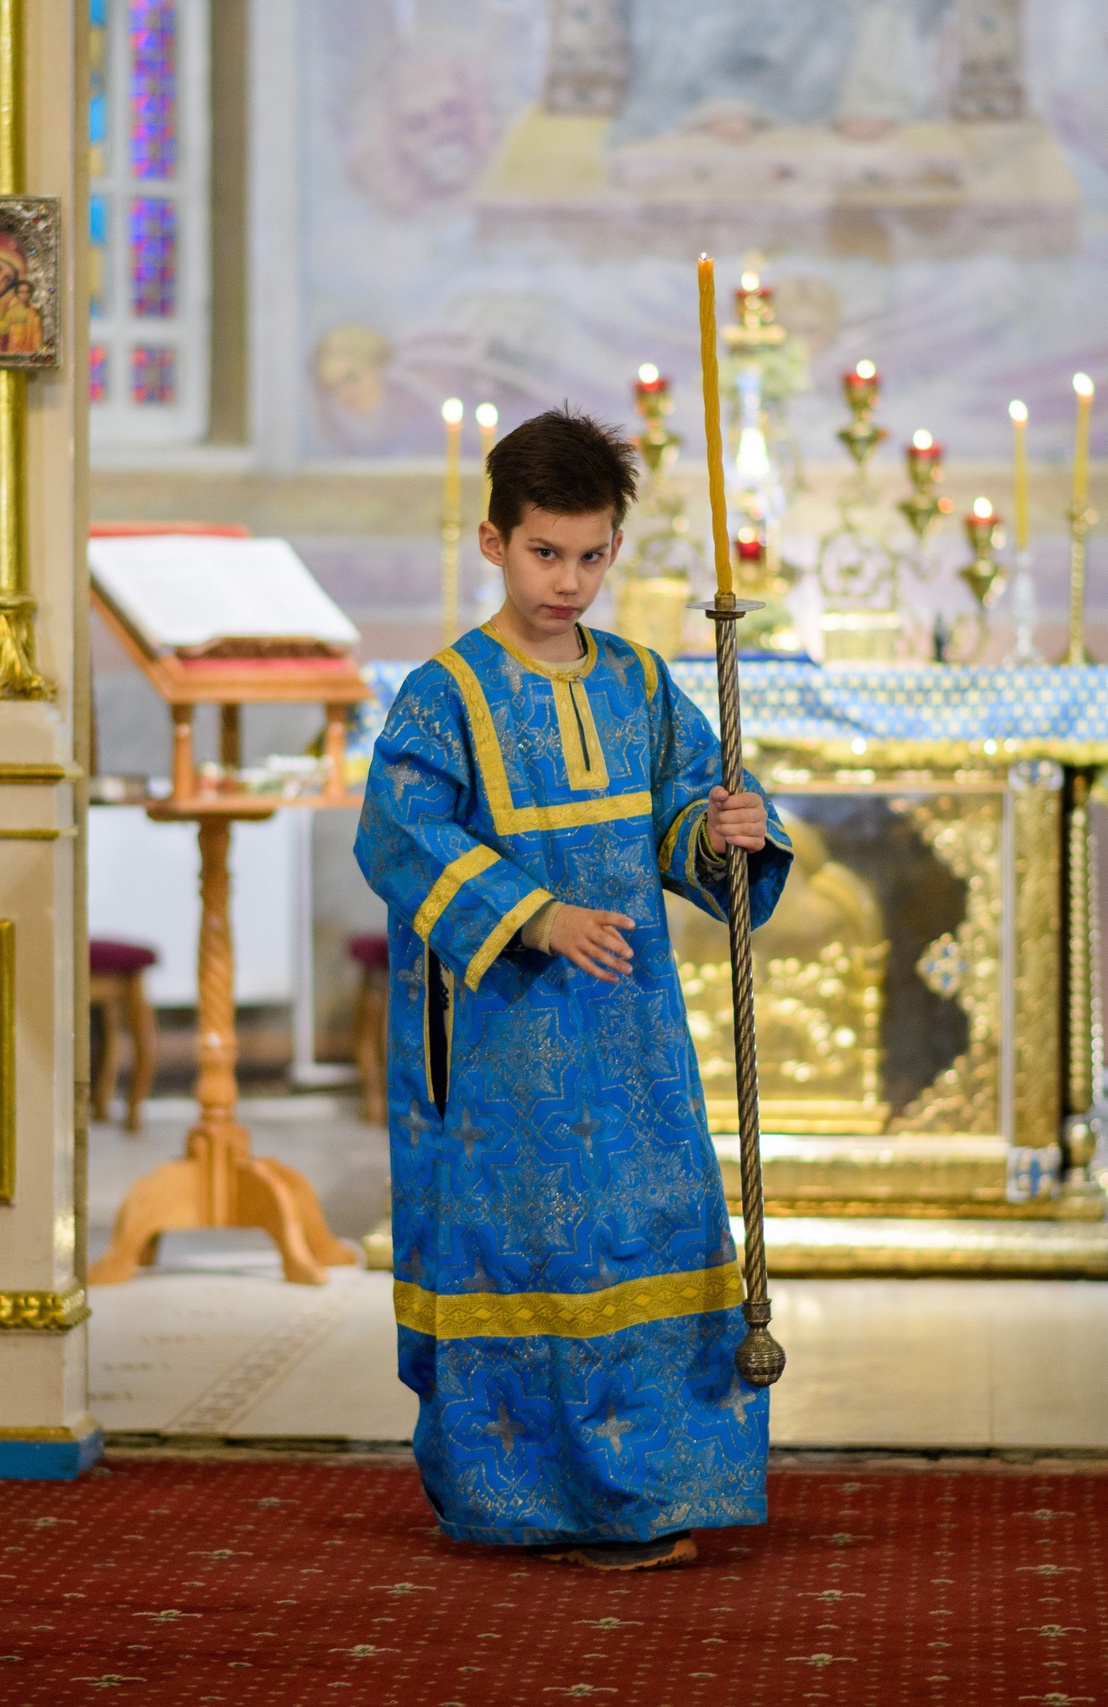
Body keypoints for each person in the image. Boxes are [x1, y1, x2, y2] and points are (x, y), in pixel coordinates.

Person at [354, 407, 793, 1572]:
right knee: (536, 1255)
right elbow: (396, 834)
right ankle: (536, 1499)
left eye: (594, 555)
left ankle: (650, 1488)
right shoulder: (444, 692)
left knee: (648, 1232)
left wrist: (727, 827)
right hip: (505, 1042)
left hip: (634, 1038)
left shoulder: (642, 684)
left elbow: (687, 812)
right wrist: (535, 914)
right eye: (547, 553)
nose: (572, 580)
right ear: (494, 541)